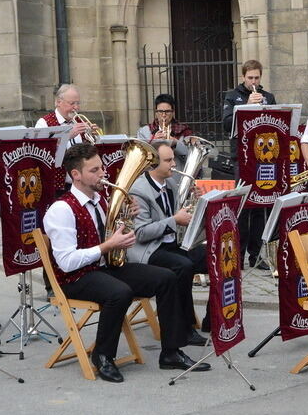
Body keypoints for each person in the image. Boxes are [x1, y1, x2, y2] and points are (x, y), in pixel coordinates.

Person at [42, 143, 210, 382]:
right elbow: (67, 262)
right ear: (75, 175)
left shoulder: (100, 200)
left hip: (103, 267)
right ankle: (102, 356)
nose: (103, 174)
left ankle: (171, 352)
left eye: (101, 168)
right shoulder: (61, 209)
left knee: (167, 277)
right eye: (94, 170)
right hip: (76, 277)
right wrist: (108, 246)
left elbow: (106, 235)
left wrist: (126, 222)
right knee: (120, 292)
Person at [128, 141, 207, 346]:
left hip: (170, 243)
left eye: (173, 159)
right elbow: (141, 232)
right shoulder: (139, 191)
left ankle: (213, 319)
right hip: (149, 250)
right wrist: (174, 221)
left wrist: (194, 198)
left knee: (212, 254)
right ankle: (184, 327)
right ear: (153, 163)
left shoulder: (171, 183)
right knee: (183, 266)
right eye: (168, 160)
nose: (174, 164)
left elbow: (179, 212)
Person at [222, 60, 277, 270]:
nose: (254, 81)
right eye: (250, 78)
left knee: (261, 207)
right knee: (243, 207)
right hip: (242, 157)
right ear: (243, 77)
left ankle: (256, 255)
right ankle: (239, 254)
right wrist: (245, 106)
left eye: (257, 78)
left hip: (264, 158)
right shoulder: (232, 96)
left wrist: (264, 106)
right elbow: (226, 124)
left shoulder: (268, 97)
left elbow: (276, 122)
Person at [136, 94, 194, 170]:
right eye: (160, 111)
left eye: (167, 111)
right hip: (154, 173)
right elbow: (140, 157)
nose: (163, 115)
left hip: (176, 174)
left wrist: (175, 142)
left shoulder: (184, 131)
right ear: (156, 112)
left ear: (173, 112)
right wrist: (153, 142)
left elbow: (190, 157)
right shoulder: (144, 131)